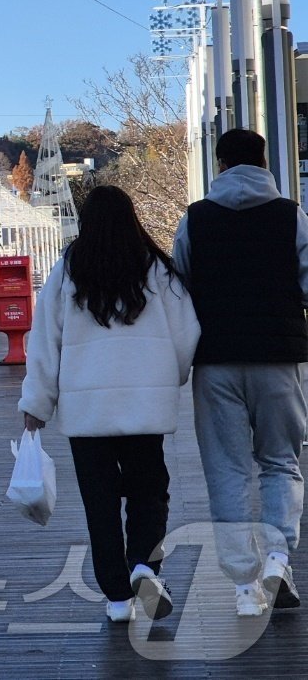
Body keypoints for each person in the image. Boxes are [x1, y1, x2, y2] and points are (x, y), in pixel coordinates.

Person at [20, 185, 200, 623]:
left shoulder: (67, 271)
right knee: (149, 493)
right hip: (144, 407)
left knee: (99, 503)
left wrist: (36, 405)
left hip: (87, 414)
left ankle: (117, 597)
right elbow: (186, 335)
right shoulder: (158, 270)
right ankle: (143, 564)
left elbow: (45, 345)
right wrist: (168, 379)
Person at [172, 128, 308, 617]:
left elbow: (177, 288)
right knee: (280, 461)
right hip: (277, 359)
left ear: (221, 164)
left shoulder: (197, 218)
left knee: (226, 471)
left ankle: (245, 587)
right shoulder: (290, 215)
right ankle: (277, 556)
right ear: (264, 162)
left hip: (215, 362)